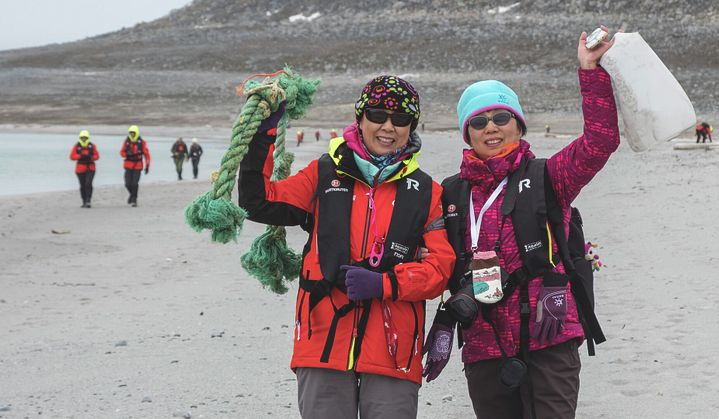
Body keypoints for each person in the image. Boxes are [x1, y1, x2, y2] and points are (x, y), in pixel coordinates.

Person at [422, 27, 620, 419]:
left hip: (550, 334)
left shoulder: (549, 176)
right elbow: (430, 257)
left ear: (518, 124)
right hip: (483, 342)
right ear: (467, 133)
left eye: (500, 117)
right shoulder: (451, 194)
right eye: (478, 122)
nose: (491, 128)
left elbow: (601, 141)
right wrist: (444, 322)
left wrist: (589, 71)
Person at [238, 75, 455, 419]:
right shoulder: (323, 174)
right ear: (360, 117)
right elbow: (258, 202)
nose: (388, 127)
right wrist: (263, 133)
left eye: (400, 119)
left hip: (392, 353)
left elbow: (441, 270)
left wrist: (384, 284)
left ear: (411, 126)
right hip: (322, 345)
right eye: (377, 115)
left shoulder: (427, 192)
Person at [119, 125, 151, 207]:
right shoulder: (126, 142)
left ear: (136, 133)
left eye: (133, 133)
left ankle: (134, 199)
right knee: (127, 184)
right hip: (128, 165)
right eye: (131, 133)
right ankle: (132, 195)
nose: (132, 135)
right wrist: (126, 153)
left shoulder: (142, 143)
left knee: (134, 183)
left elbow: (147, 155)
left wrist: (147, 166)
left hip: (138, 165)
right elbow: (121, 153)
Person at [69, 129, 99, 208]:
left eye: (85, 138)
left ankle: (88, 200)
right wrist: (80, 156)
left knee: (88, 184)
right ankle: (84, 201)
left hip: (90, 168)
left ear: (88, 138)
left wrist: (91, 157)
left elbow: (97, 156)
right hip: (80, 169)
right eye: (82, 138)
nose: (84, 139)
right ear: (80, 138)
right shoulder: (76, 146)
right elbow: (72, 156)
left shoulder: (92, 146)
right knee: (82, 185)